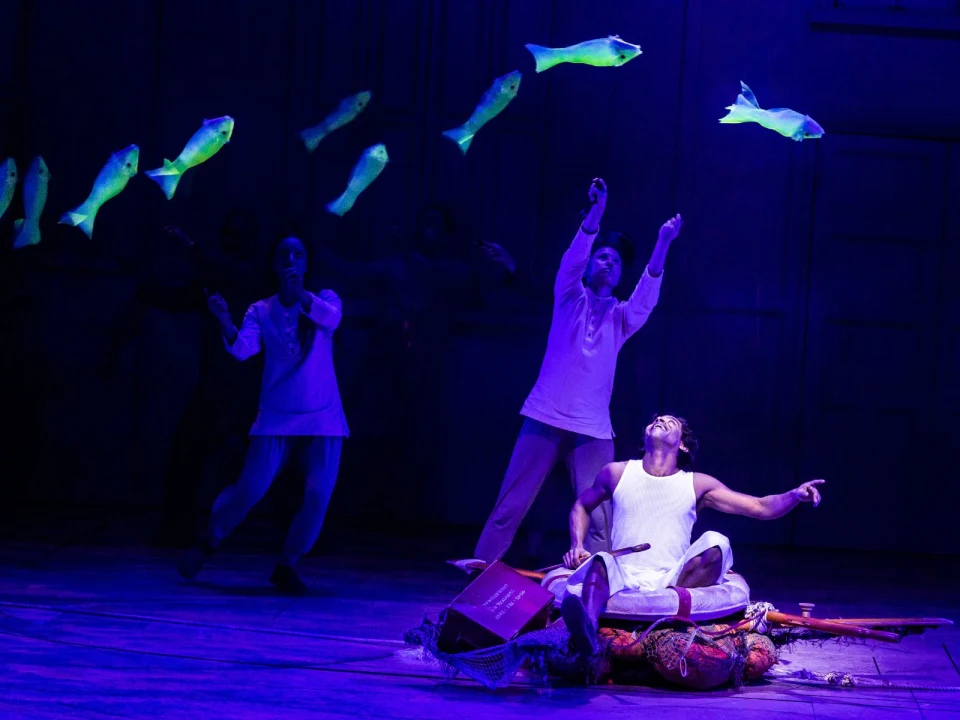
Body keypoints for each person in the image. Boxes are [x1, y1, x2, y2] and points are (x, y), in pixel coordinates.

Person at [474, 177, 683, 563]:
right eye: (602, 256)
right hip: (544, 418)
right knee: (509, 509)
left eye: (616, 261)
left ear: (621, 276)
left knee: (600, 520)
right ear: (588, 266)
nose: (608, 262)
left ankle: (597, 596)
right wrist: (597, 213)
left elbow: (645, 298)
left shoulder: (621, 318)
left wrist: (663, 243)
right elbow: (573, 257)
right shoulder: (568, 296)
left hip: (592, 431)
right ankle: (472, 590)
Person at [560, 413, 826, 661]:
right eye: (657, 419)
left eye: (670, 421)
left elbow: (759, 507)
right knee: (601, 559)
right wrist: (577, 545)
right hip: (624, 574)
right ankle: (587, 632)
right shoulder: (616, 472)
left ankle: (673, 614)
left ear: (683, 445)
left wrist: (794, 495)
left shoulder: (696, 483)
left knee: (718, 541)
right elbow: (581, 506)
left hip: (674, 577)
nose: (661, 420)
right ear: (644, 437)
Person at [178, 234, 349, 595]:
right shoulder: (261, 310)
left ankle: (287, 564)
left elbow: (331, 320)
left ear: (305, 264)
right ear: (274, 264)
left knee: (318, 495)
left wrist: (301, 293)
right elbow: (243, 350)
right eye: (283, 254)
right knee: (250, 489)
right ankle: (209, 539)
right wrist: (224, 319)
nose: (290, 260)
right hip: (277, 416)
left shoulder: (325, 300)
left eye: (297, 254)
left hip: (323, 418)